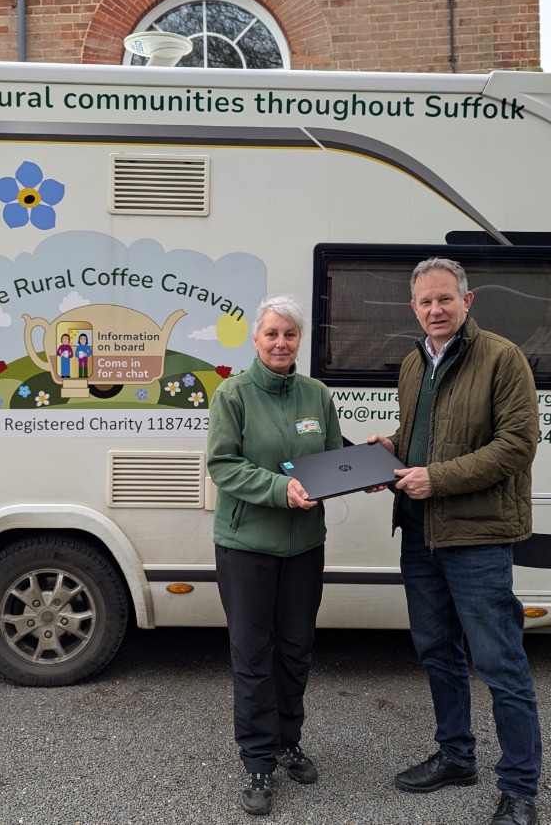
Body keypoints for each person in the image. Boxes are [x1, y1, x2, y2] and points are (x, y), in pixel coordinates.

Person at [367, 257, 542, 825]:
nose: (435, 310)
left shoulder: (502, 357)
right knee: (437, 651)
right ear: (413, 308)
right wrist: (391, 448)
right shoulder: (415, 363)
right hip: (420, 533)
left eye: (445, 299)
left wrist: (436, 478)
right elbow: (427, 435)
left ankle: (519, 789)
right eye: (425, 302)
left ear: (468, 301)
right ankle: (456, 755)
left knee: (499, 663)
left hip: (476, 537)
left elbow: (516, 444)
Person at [206, 295, 342, 817]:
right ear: (256, 339)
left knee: (296, 650)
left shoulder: (316, 395)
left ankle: (288, 741)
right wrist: (279, 488)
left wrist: (369, 469)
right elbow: (223, 465)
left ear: (298, 340)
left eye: (290, 334)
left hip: (304, 546)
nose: (281, 343)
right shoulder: (233, 394)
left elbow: (331, 455)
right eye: (272, 334)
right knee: (252, 654)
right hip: (247, 549)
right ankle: (258, 759)